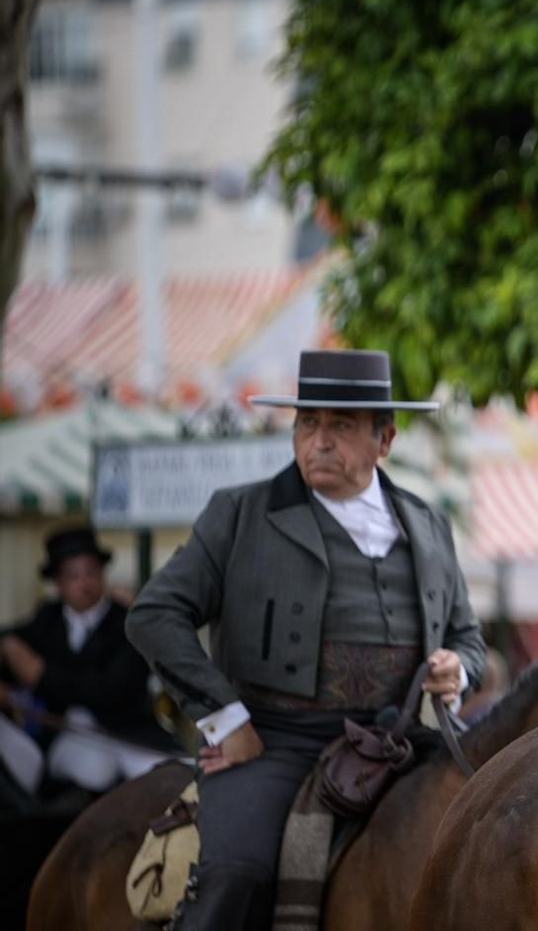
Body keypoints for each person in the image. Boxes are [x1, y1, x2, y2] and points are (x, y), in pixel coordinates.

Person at [126, 349, 486, 931]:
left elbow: (468, 636)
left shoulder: (428, 521)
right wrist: (226, 721)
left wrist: (459, 669)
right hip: (274, 740)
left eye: (340, 426)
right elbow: (154, 614)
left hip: (405, 740)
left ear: (385, 439)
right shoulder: (239, 513)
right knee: (234, 875)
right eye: (307, 424)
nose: (318, 441)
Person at [0, 526, 174, 797]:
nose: (84, 583)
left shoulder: (125, 621)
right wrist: (9, 649)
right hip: (70, 735)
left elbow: (111, 689)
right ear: (58, 582)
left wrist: (40, 676)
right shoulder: (47, 621)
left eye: (90, 573)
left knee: (165, 776)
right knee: (88, 770)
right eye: (73, 575)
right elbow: (13, 638)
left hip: (130, 733)